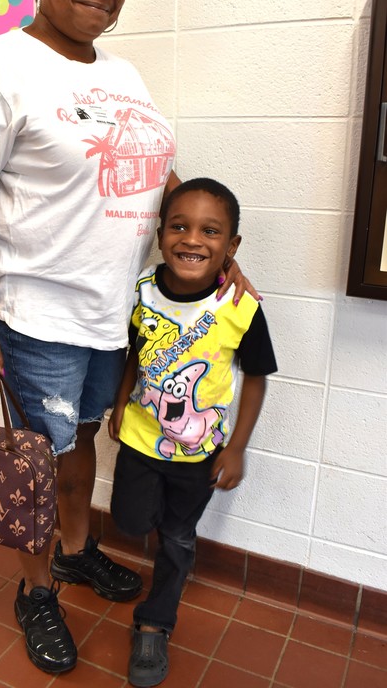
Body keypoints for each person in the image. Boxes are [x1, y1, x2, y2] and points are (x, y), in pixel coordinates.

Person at [0, 0, 257, 677]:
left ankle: (77, 553)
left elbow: (158, 171)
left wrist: (215, 250)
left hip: (112, 315)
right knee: (36, 462)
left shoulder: (121, 73)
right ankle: (36, 589)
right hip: (36, 314)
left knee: (81, 442)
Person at [108, 178, 277, 687]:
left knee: (178, 538)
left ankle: (156, 621)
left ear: (232, 246)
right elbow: (133, 355)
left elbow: (256, 378)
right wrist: (120, 404)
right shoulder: (140, 291)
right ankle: (159, 527)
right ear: (160, 234)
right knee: (130, 519)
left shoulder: (241, 307)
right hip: (139, 440)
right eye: (179, 226)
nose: (192, 239)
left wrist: (238, 448)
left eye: (210, 231)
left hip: (200, 454)